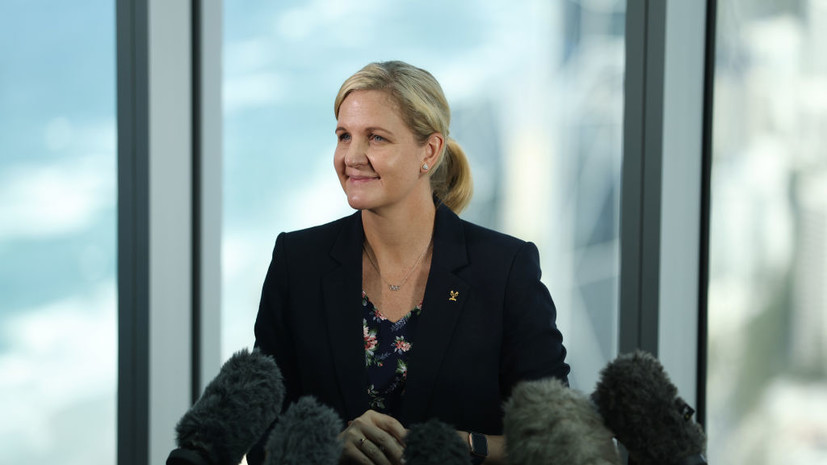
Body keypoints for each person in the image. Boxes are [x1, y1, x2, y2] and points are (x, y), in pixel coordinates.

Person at [252, 60, 569, 465]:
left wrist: (455, 445)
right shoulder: (297, 263)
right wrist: (328, 446)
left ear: (429, 151)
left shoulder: (505, 268)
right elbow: (260, 435)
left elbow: (558, 439)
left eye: (376, 138)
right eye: (344, 136)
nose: (352, 156)